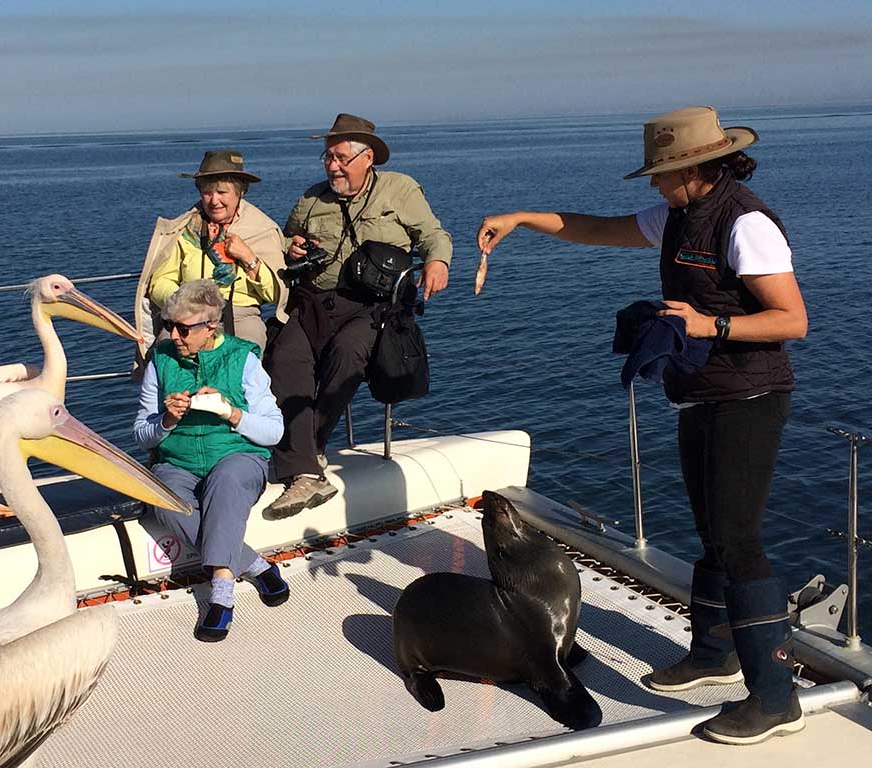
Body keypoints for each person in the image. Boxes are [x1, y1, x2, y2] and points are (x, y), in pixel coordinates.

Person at [477, 106, 808, 745]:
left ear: (693, 168)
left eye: (660, 174)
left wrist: (706, 325)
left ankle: (774, 696)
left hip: (751, 396)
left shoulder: (747, 222)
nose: (654, 185)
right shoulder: (681, 213)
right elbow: (597, 229)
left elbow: (792, 319)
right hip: (700, 395)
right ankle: (715, 654)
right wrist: (522, 217)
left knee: (738, 541)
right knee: (712, 533)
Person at [261, 113, 453, 520]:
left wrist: (438, 262)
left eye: (342, 157)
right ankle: (308, 468)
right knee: (284, 357)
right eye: (328, 157)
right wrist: (290, 245)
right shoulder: (312, 200)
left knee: (347, 355)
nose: (333, 165)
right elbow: (284, 238)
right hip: (315, 300)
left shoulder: (400, 189)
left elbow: (433, 235)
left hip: (376, 306)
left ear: (368, 158)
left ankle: (305, 454)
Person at [133, 279, 287, 642]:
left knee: (227, 481)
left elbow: (274, 431)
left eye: (183, 329)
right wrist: (166, 421)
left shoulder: (243, 359)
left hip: (237, 455)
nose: (174, 335)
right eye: (169, 326)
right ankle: (254, 565)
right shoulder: (161, 359)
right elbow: (141, 435)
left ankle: (221, 594)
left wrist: (231, 413)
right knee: (164, 499)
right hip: (178, 461)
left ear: (210, 327)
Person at [135, 150, 288, 355]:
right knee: (166, 356)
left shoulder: (261, 230)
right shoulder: (184, 230)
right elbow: (159, 282)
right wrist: (186, 305)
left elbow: (276, 294)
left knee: (243, 358)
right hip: (186, 319)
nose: (214, 200)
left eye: (222, 192)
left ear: (240, 191)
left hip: (240, 316)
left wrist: (249, 258)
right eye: (207, 192)